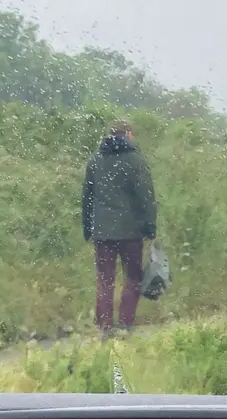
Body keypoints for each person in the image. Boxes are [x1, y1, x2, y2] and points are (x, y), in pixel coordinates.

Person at [81, 120, 157, 340]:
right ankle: (124, 326)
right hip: (131, 232)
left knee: (105, 279)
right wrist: (150, 226)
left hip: (102, 232)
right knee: (132, 278)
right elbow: (146, 198)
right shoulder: (136, 161)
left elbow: (87, 199)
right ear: (128, 135)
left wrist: (88, 228)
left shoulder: (95, 161)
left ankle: (104, 328)